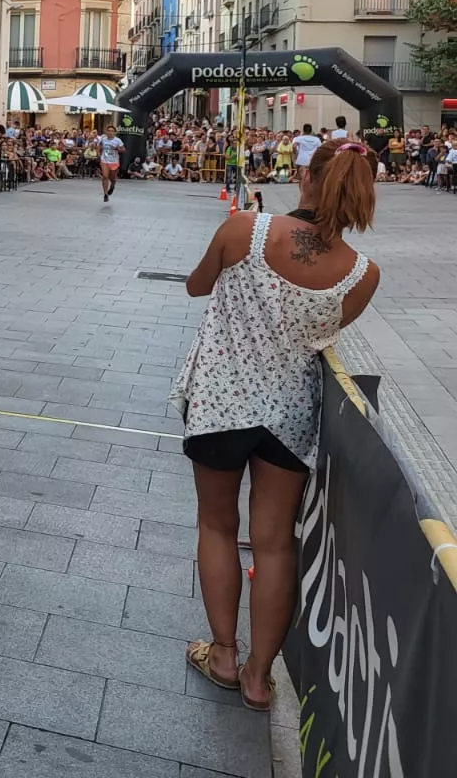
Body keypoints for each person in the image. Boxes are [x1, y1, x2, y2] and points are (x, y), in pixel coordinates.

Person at [174, 139, 379, 713]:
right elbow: (325, 337)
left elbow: (197, 284)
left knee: (216, 526)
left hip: (219, 403)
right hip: (289, 416)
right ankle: (260, 678)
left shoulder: (245, 230)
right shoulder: (362, 274)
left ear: (305, 179)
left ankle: (221, 653)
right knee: (275, 544)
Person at [96, 122, 125, 201]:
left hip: (114, 161)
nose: (110, 132)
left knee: (112, 178)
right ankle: (105, 194)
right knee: (105, 176)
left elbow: (123, 149)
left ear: (114, 132)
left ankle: (112, 185)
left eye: (112, 131)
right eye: (109, 130)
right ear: (106, 132)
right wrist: (98, 154)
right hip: (104, 160)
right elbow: (99, 147)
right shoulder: (103, 139)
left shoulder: (117, 140)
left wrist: (116, 148)